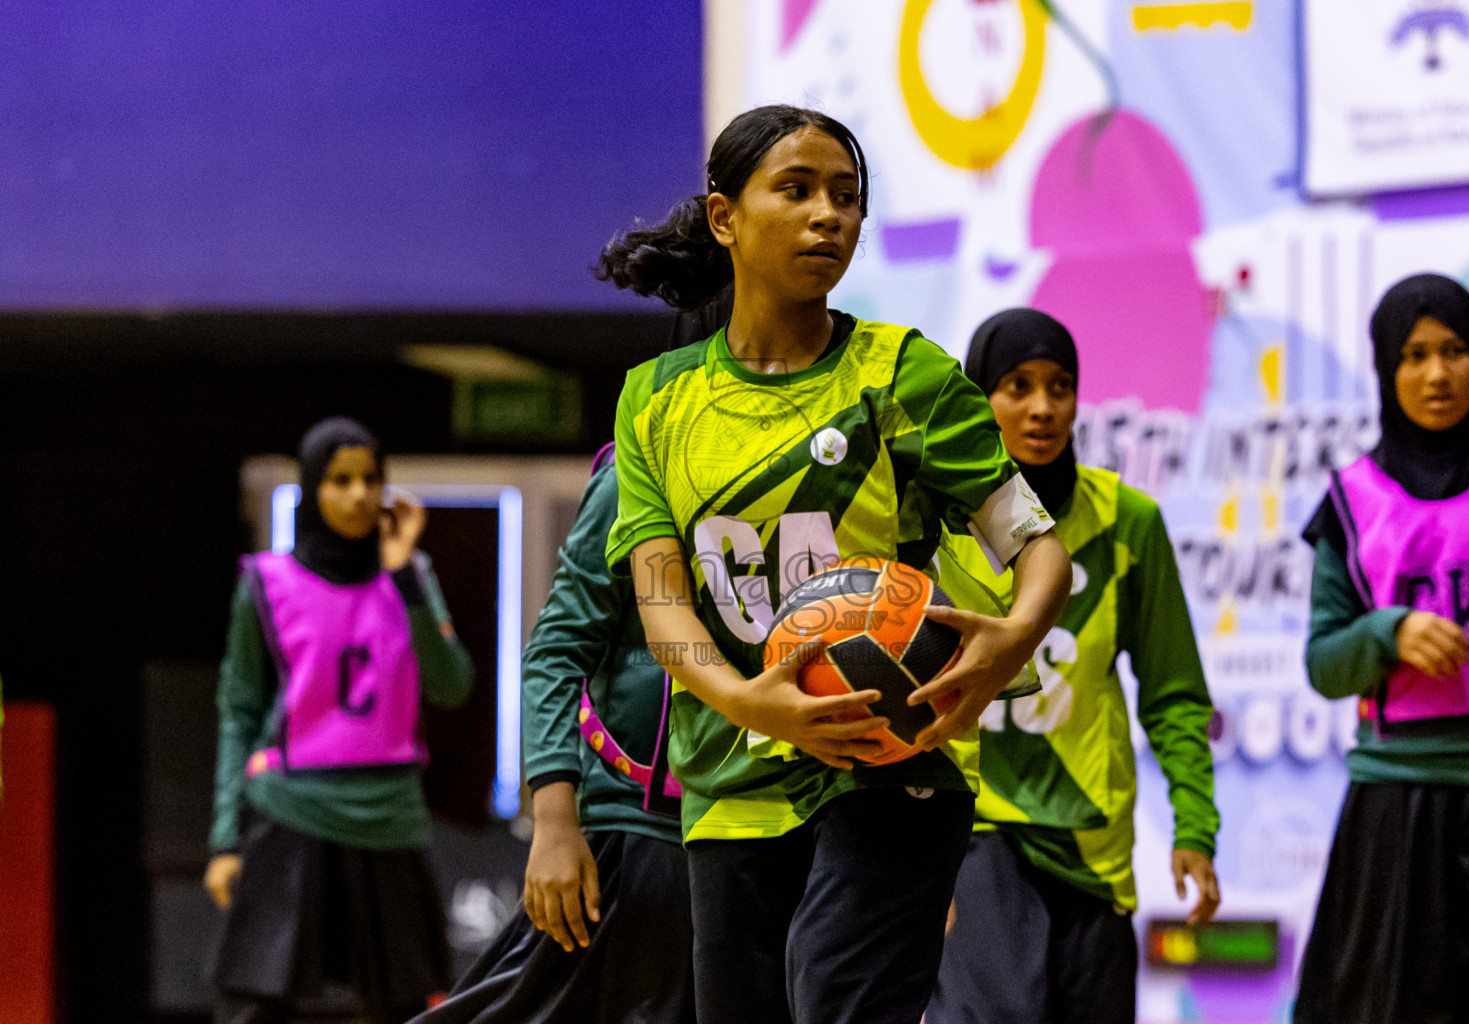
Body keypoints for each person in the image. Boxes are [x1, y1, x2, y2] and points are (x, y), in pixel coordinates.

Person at [597, 104, 1074, 1024]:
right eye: (799, 190)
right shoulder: (654, 401)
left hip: (891, 765)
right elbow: (663, 604)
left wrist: (1013, 641)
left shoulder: (908, 375)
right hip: (731, 785)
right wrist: (746, 701)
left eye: (847, 198)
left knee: (837, 1004)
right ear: (725, 216)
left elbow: (1036, 543)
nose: (830, 216)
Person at [409, 289, 733, 1024]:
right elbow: (557, 647)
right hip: (637, 832)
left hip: (756, 831)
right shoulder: (637, 473)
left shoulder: (815, 479)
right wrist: (556, 823)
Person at [925, 308, 1220, 1024]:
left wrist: (1194, 828)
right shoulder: (926, 523)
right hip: (975, 833)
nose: (1042, 407)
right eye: (1017, 385)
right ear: (976, 395)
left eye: (1060, 386)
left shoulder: (1128, 520)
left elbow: (1174, 693)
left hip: (1092, 847)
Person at [1293, 274, 1469, 1024]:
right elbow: (1324, 664)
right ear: (1386, 371)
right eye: (1416, 354)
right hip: (1399, 791)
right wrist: (1386, 633)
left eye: (1456, 350)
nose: (1437, 373)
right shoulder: (1353, 497)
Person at [205, 417, 474, 1024]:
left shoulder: (411, 578)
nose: (359, 494)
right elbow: (239, 711)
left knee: (402, 1006)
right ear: (310, 488)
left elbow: (453, 685)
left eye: (371, 479)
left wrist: (403, 574)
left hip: (390, 818)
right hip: (289, 808)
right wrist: (225, 839)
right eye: (340, 479)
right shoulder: (265, 583)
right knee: (252, 1001)